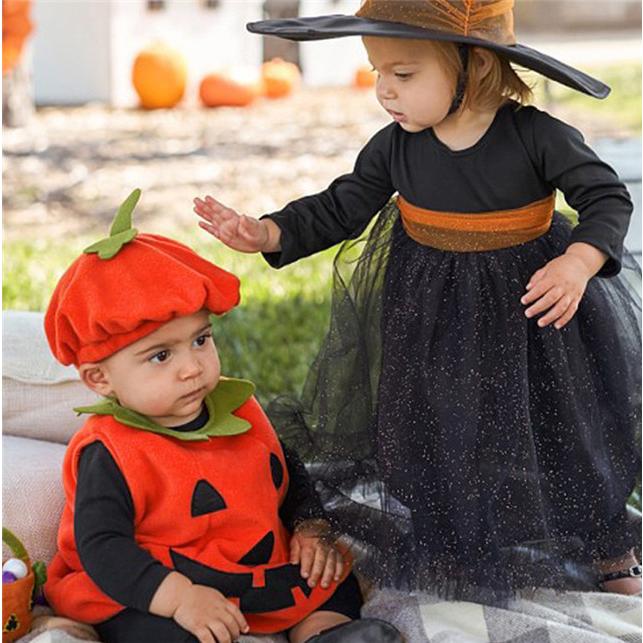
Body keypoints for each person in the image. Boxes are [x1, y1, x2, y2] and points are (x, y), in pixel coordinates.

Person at [193, 0, 642, 604]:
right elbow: (343, 203)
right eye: (377, 72)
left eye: (403, 75)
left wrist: (579, 261)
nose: (384, 91)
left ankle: (607, 543)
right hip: (433, 312)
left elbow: (607, 197)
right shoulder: (396, 146)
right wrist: (270, 232)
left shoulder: (536, 136)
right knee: (434, 424)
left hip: (536, 308)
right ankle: (455, 540)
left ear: (475, 64)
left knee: (564, 422)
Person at [43, 189, 403, 643]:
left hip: (254, 571)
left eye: (200, 340)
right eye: (160, 356)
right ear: (100, 379)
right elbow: (103, 549)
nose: (192, 367)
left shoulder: (238, 409)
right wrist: (179, 598)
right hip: (153, 587)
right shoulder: (110, 452)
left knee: (328, 582)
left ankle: (323, 633)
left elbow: (285, 473)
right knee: (155, 631)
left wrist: (309, 527)